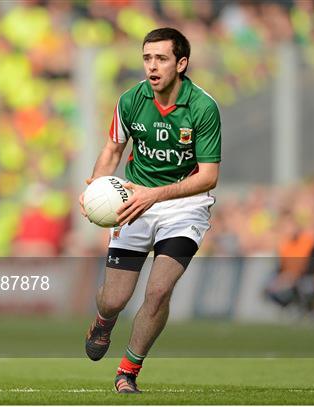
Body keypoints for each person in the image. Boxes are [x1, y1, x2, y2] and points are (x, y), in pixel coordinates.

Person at [79, 27, 221, 393]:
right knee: (114, 299)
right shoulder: (130, 100)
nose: (152, 66)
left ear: (181, 63)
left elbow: (208, 177)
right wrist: (95, 188)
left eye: (161, 59)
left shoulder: (203, 107)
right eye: (147, 58)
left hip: (184, 207)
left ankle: (127, 371)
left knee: (158, 291)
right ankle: (103, 320)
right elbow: (113, 150)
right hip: (134, 203)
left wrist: (155, 195)